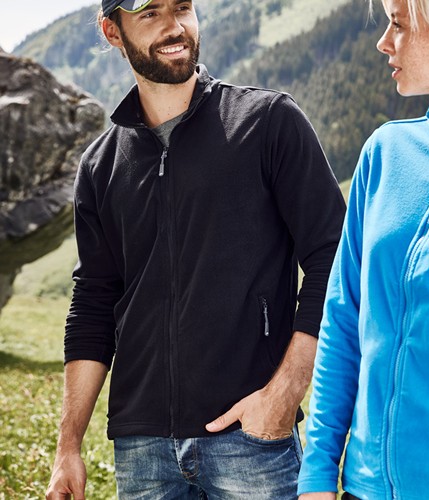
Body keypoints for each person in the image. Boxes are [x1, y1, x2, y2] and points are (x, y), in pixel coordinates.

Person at [45, 0, 346, 498]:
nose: (174, 26)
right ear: (113, 32)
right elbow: (93, 304)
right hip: (142, 451)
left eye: (182, 7)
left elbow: (333, 257)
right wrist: (68, 446)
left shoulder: (268, 121)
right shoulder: (99, 166)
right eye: (150, 14)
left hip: (251, 439)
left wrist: (284, 393)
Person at [297, 0, 429, 498]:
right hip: (364, 487)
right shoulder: (385, 155)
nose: (383, 42)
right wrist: (318, 473)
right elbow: (343, 319)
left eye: (398, 24)